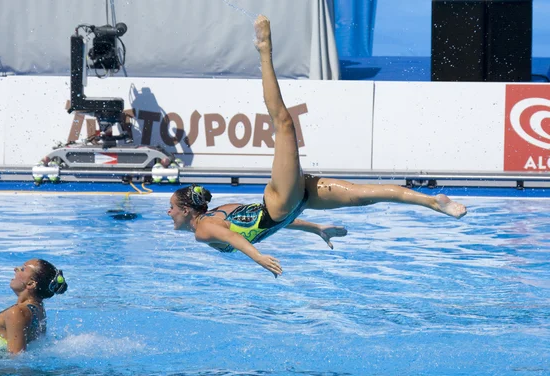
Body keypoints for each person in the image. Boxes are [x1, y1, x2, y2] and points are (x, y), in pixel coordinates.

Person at [168, 15, 467, 278]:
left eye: (171, 209)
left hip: (282, 201)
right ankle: (432, 202)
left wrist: (258, 258)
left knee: (283, 123)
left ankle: (264, 51)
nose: (169, 214)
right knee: (366, 196)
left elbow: (237, 239)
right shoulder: (219, 212)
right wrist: (317, 228)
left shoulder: (204, 231)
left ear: (185, 209)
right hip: (293, 202)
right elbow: (270, 224)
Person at [0, 259, 67, 356]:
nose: (16, 269)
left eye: (23, 269)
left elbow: (16, 360)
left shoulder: (17, 312)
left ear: (31, 284)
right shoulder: (38, 309)